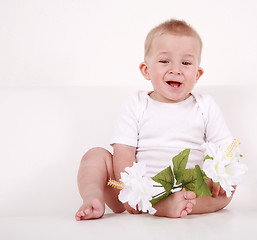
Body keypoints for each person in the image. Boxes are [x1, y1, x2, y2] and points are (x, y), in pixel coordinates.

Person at [75, 19, 235, 220]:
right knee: (95, 156)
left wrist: (219, 175)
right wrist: (130, 191)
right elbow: (124, 150)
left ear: (197, 74)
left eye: (186, 63)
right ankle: (93, 198)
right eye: (164, 61)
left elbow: (226, 146)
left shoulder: (205, 105)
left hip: (187, 186)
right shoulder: (137, 102)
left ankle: (171, 204)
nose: (175, 69)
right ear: (146, 70)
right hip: (138, 187)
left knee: (227, 191)